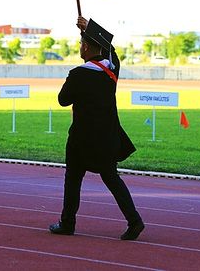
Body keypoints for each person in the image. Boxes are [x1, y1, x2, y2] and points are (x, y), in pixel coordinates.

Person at [49, 16, 144, 241]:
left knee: (73, 179)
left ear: (87, 47)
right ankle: (134, 221)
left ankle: (68, 223)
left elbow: (63, 100)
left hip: (82, 140)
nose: (80, 48)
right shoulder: (112, 71)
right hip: (107, 138)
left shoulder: (78, 74)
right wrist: (89, 28)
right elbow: (112, 50)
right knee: (112, 179)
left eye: (82, 44)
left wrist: (88, 30)